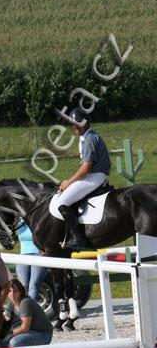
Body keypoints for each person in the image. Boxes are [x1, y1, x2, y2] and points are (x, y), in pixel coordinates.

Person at [57, 107, 111, 251]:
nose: (74, 127)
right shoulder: (86, 138)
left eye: (77, 123)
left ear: (85, 123)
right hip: (95, 174)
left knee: (62, 202)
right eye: (73, 124)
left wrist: (68, 183)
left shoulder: (89, 139)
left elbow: (85, 169)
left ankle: (78, 239)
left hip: (95, 176)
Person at [5, 278, 53, 348]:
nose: (12, 293)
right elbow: (7, 323)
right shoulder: (10, 304)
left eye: (14, 290)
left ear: (20, 292)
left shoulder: (25, 302)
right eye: (9, 291)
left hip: (43, 334)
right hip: (29, 332)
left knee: (14, 342)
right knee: (0, 341)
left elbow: (25, 328)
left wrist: (8, 335)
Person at [16, 221, 47, 302]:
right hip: (23, 255)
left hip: (39, 255)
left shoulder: (38, 219)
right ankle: (22, 307)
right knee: (22, 286)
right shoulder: (18, 222)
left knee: (33, 286)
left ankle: (29, 308)